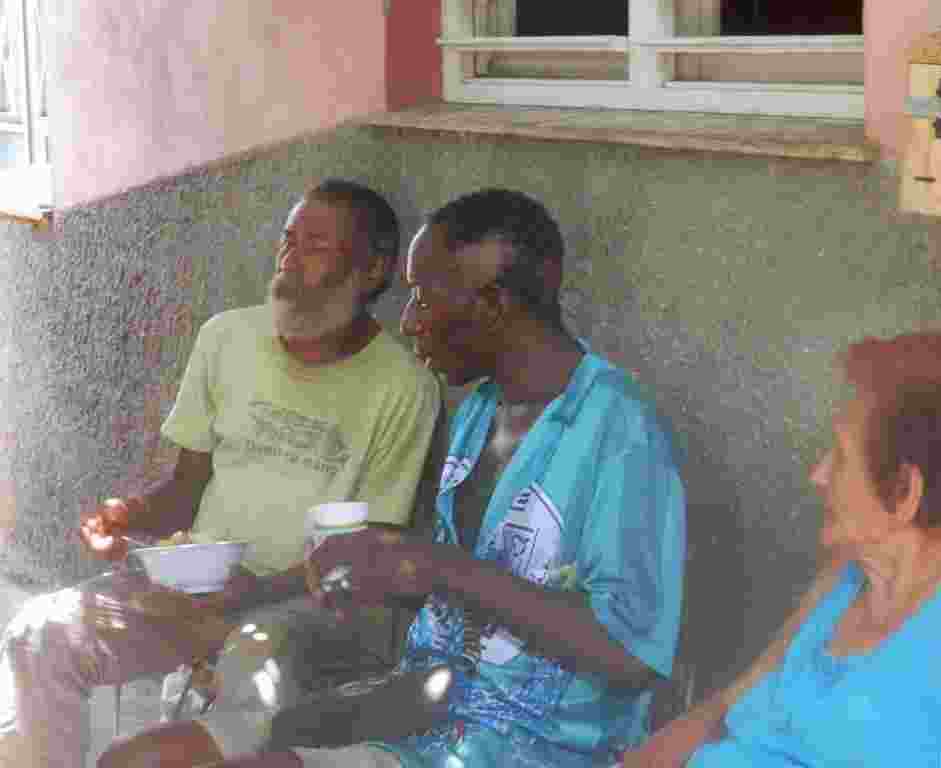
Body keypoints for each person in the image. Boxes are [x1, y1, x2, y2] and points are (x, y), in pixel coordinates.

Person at [98, 188, 687, 768]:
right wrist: (381, 569)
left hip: (529, 742)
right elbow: (464, 591)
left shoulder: (619, 433)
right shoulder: (483, 409)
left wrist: (434, 565)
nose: (407, 322)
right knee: (143, 758)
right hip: (421, 710)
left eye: (423, 300)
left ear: (494, 306)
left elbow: (631, 651)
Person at [0, 178, 442, 768]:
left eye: (314, 246)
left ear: (372, 270)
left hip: (304, 606)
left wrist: (256, 593)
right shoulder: (227, 337)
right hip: (194, 589)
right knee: (39, 632)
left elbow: (369, 556)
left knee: (243, 695)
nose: (288, 260)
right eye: (286, 241)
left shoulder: (405, 388)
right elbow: (184, 491)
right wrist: (127, 516)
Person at [625, 330, 941, 768]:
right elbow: (725, 710)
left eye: (840, 457)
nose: (818, 474)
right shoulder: (850, 576)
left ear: (906, 491)